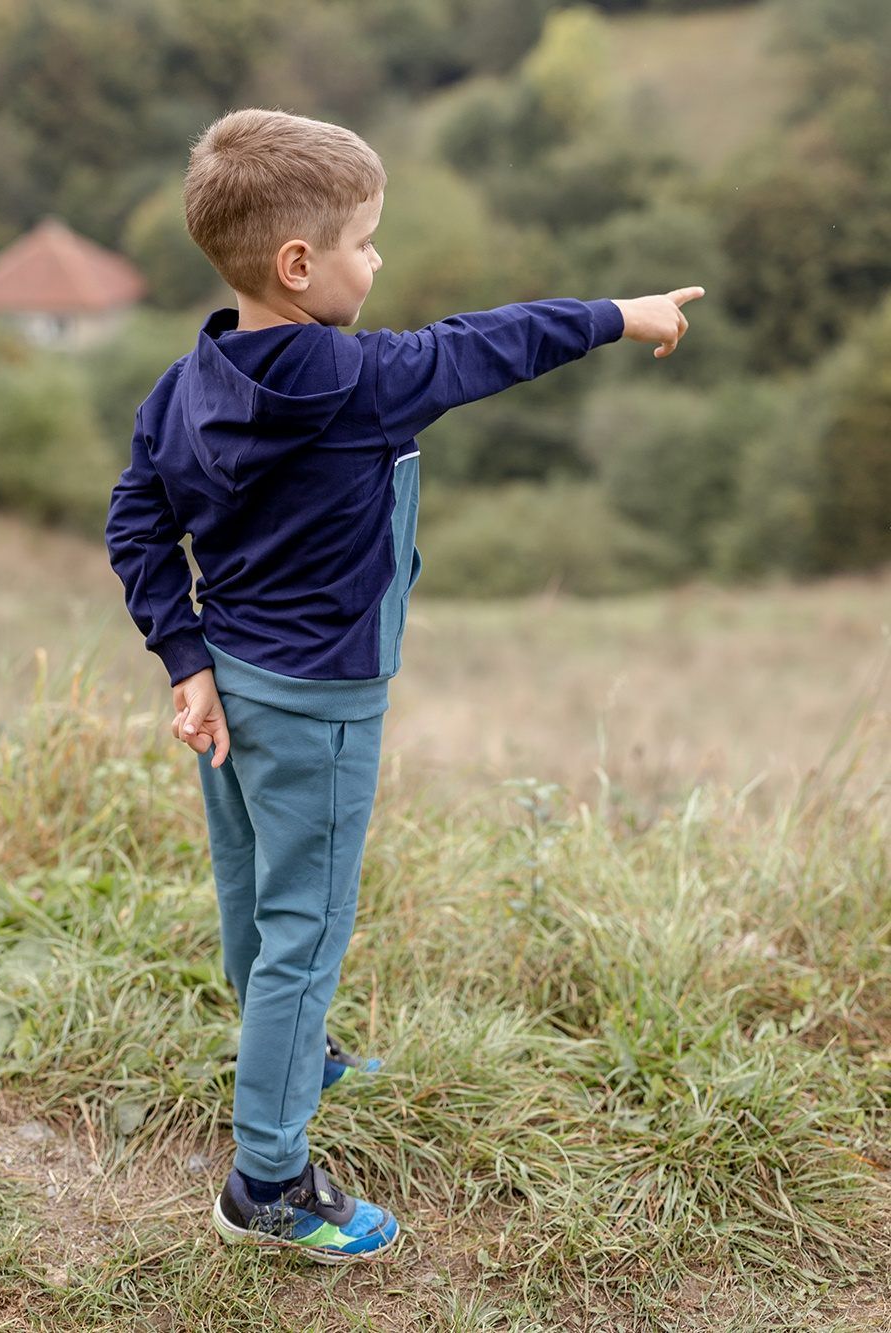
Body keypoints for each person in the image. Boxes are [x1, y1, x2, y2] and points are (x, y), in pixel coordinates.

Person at [104, 106, 703, 1265]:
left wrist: (185, 659)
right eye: (366, 241)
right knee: (304, 927)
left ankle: (292, 1050)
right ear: (298, 263)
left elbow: (136, 521)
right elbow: (492, 343)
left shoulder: (183, 387)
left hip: (229, 687)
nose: (378, 262)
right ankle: (267, 1182)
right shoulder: (362, 382)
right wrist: (619, 314)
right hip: (321, 705)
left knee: (255, 901)